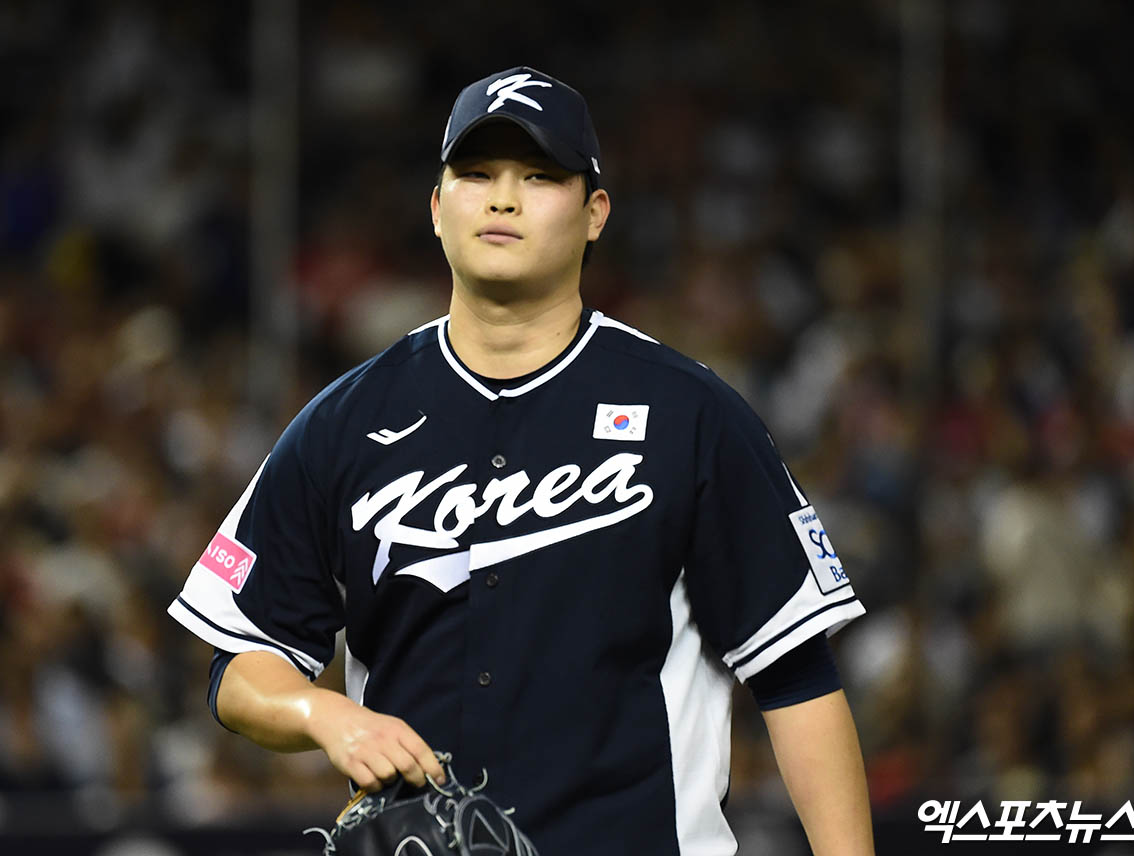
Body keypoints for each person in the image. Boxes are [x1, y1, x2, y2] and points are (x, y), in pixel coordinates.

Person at [168, 66, 875, 855]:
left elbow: (797, 680)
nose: (503, 197)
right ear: (437, 209)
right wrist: (322, 713)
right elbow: (239, 666)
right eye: (476, 174)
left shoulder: (690, 415)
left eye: (540, 176)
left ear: (595, 212)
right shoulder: (344, 423)